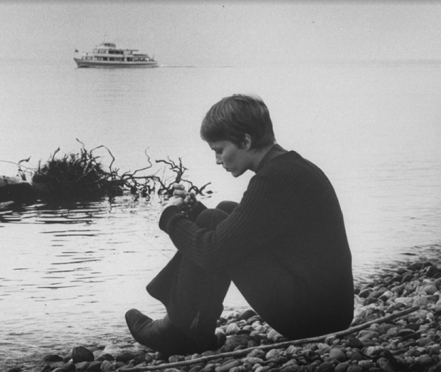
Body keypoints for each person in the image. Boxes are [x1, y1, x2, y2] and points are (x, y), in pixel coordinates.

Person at [125, 94, 354, 356]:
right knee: (220, 211)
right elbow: (251, 232)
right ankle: (194, 330)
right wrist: (194, 210)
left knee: (213, 224)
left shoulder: (272, 181)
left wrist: (170, 218)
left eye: (219, 150)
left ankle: (177, 331)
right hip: (328, 311)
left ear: (245, 141)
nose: (217, 160)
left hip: (311, 319)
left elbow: (212, 252)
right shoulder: (291, 168)